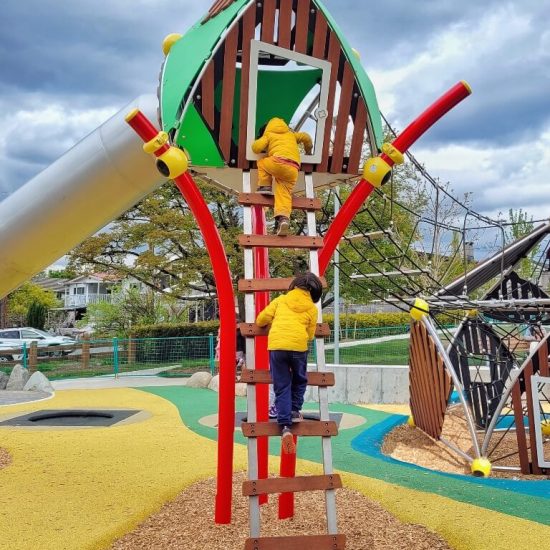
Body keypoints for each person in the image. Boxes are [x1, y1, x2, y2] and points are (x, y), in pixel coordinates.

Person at [255, 272, 323, 454]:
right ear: (314, 292)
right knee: (300, 379)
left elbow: (261, 320)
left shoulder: (281, 301)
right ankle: (294, 410)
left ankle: (284, 425)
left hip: (277, 347)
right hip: (299, 348)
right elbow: (310, 334)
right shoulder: (311, 308)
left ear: (294, 286)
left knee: (282, 384)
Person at [251, 118, 313, 236]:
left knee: (262, 163)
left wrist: (261, 142)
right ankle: (283, 219)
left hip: (279, 162)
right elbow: (306, 137)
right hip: (293, 168)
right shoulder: (292, 135)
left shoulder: (268, 134)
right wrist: (308, 151)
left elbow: (256, 148)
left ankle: (265, 186)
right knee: (283, 193)